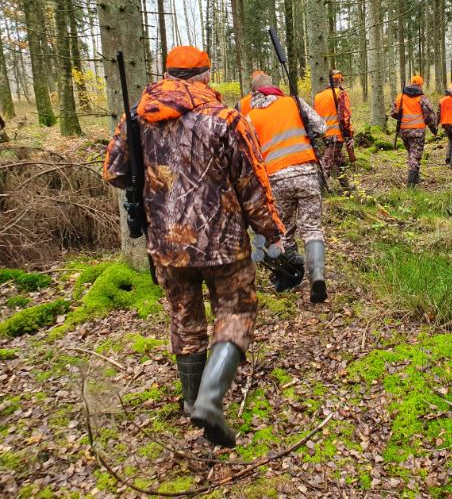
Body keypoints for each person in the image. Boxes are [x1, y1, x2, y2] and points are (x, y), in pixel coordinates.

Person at [103, 45, 285, 448]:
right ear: (204, 76)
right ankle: (210, 399)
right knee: (236, 310)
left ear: (168, 76)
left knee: (185, 318)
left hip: (167, 245)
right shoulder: (226, 119)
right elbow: (253, 185)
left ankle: (191, 403)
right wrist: (272, 232)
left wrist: (156, 181)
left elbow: (114, 172)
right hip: (223, 242)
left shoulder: (138, 117)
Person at [246, 78, 329, 304]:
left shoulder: (250, 117)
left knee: (283, 229)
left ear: (253, 93)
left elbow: (248, 153)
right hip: (307, 173)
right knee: (312, 227)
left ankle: (291, 277)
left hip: (276, 179)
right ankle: (317, 277)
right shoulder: (294, 102)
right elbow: (322, 127)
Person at [390, 74, 437, 187]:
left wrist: (402, 118)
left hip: (404, 132)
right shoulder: (422, 98)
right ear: (420, 85)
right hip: (417, 132)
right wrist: (434, 129)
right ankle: (411, 185)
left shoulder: (401, 96)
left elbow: (393, 113)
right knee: (415, 156)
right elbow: (430, 116)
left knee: (412, 154)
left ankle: (416, 179)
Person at [312, 69, 355, 193]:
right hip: (336, 135)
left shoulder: (318, 96)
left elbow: (313, 117)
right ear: (340, 80)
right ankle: (316, 192)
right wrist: (349, 135)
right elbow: (345, 118)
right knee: (326, 165)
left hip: (323, 135)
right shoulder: (341, 94)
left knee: (339, 160)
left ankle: (346, 187)